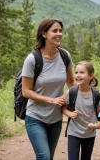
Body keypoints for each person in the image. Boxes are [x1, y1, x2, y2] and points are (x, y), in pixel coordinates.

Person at [21, 18, 75, 160]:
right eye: (55, 31)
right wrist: (52, 100)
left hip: (56, 118)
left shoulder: (64, 56)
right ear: (44, 34)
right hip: (35, 117)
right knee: (44, 156)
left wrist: (87, 98)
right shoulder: (32, 59)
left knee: (49, 157)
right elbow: (25, 91)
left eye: (60, 31)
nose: (59, 34)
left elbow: (71, 82)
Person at [62, 61, 100, 160]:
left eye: (82, 72)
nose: (78, 75)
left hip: (89, 134)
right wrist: (70, 114)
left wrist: (96, 124)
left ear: (91, 76)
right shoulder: (71, 92)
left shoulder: (97, 95)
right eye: (76, 72)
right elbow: (63, 108)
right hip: (74, 132)